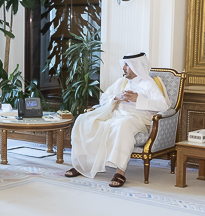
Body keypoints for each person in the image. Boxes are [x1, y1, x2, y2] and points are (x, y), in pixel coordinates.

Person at [65, 52, 168, 187]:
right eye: (123, 65)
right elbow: (103, 99)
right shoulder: (121, 82)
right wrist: (116, 97)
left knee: (122, 125)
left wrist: (138, 99)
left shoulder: (149, 84)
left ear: (137, 66)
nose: (123, 68)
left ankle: (120, 172)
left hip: (136, 118)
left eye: (127, 65)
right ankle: (81, 165)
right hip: (114, 114)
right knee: (84, 120)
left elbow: (163, 106)